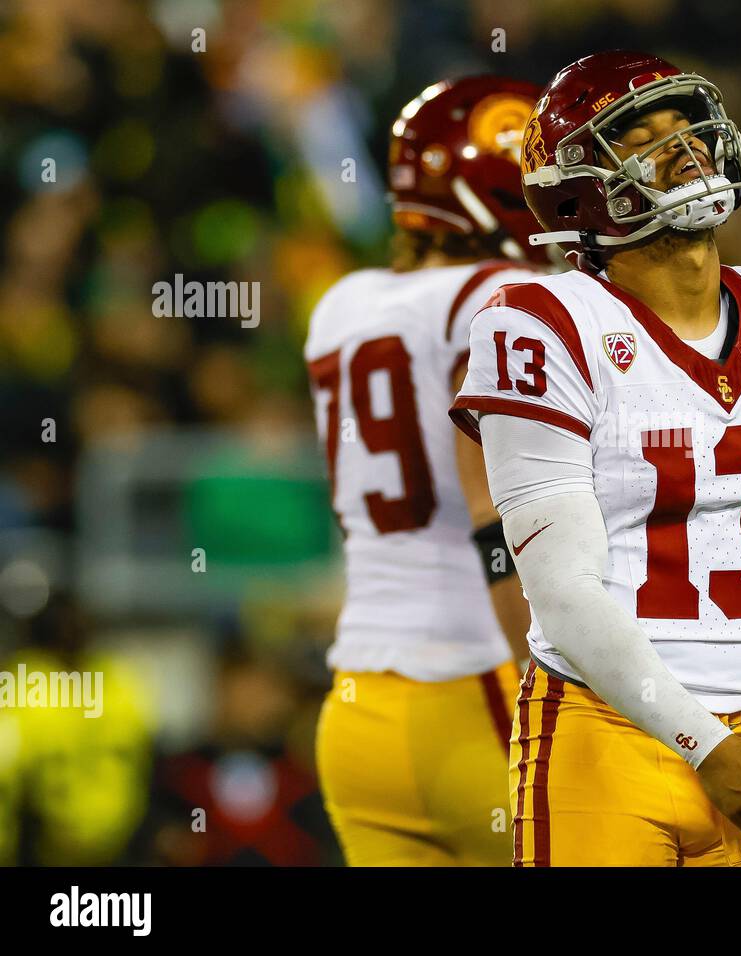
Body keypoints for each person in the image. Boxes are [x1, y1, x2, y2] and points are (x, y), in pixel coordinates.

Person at [451, 51, 741, 866]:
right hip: (602, 737)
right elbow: (563, 595)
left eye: (686, 126)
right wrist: (708, 749)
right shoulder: (538, 322)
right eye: (641, 137)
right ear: (580, 188)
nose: (684, 147)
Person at [304, 76, 545, 865]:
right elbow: (496, 515)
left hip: (357, 709)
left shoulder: (343, 304)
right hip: (474, 686)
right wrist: (548, 686)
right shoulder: (501, 295)